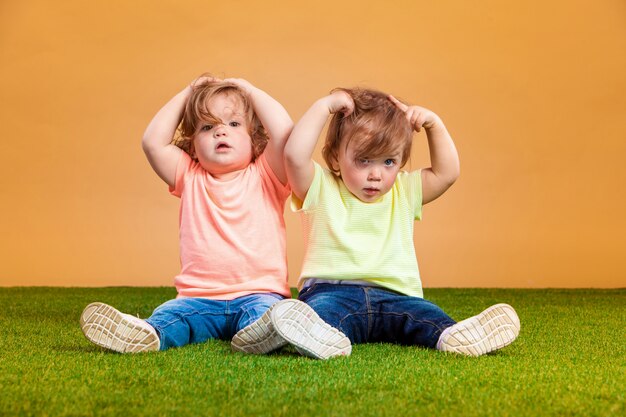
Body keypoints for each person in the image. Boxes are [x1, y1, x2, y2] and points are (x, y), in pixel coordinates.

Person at [276, 87, 520, 357]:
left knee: (426, 316)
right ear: (335, 157)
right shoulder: (321, 187)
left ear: (401, 160)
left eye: (389, 161)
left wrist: (433, 125)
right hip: (333, 293)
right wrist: (324, 107)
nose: (376, 174)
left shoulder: (404, 190)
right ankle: (321, 337)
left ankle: (452, 335)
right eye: (363, 160)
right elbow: (294, 156)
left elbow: (447, 173)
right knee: (321, 315)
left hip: (396, 296)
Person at [80, 76, 298, 353]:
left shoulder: (267, 174)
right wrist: (188, 92)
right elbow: (152, 143)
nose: (221, 132)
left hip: (259, 295)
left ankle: (266, 334)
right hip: (199, 299)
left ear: (255, 140)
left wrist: (250, 90)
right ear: (193, 146)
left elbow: (285, 133)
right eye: (208, 127)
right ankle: (146, 332)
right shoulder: (189, 176)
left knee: (268, 316)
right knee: (171, 315)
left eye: (233, 124)